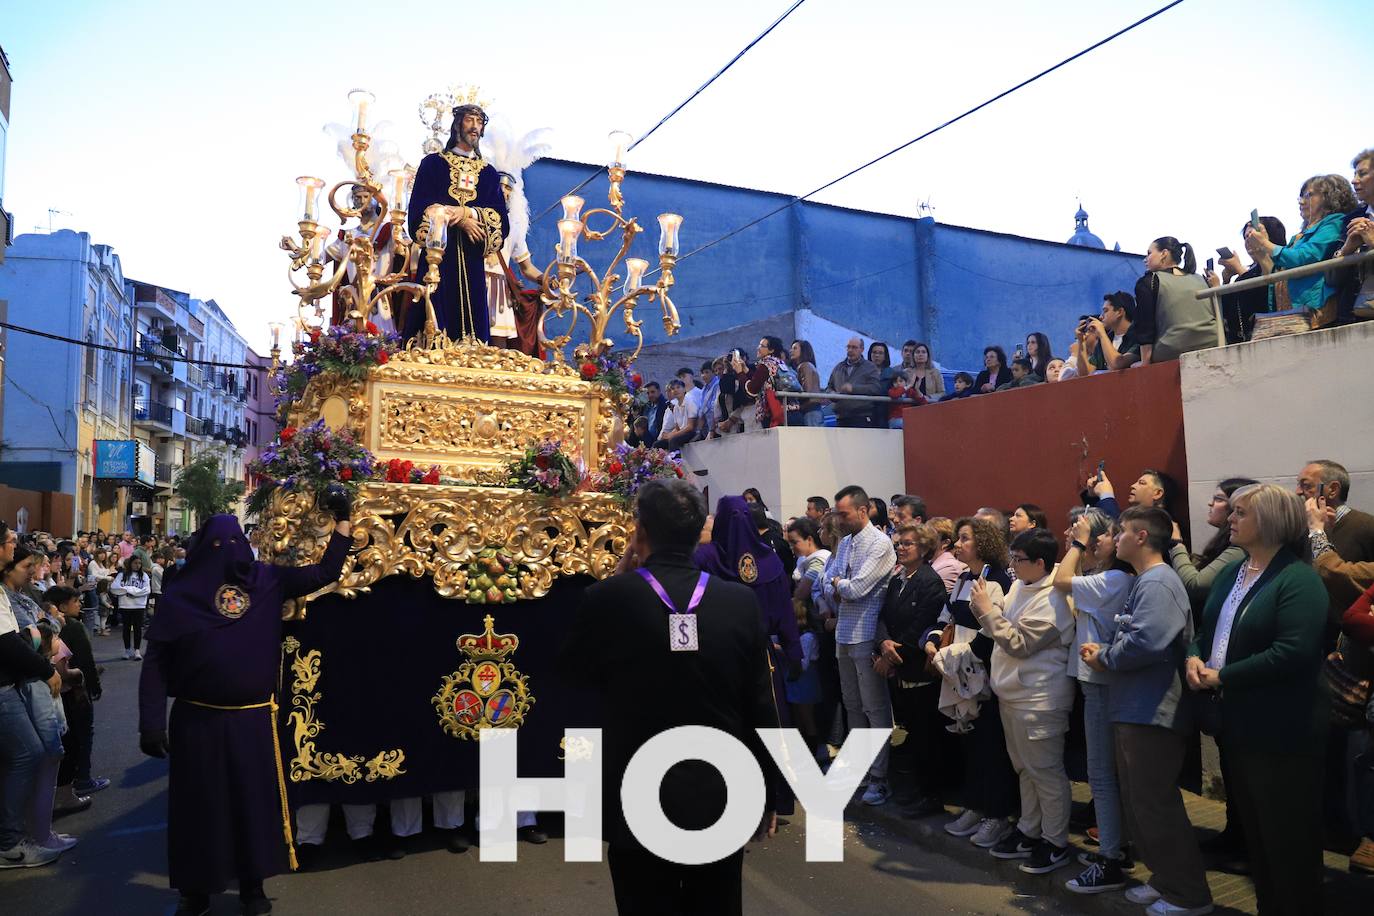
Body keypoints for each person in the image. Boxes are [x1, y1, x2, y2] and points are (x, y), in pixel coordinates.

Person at [559, 479, 778, 915]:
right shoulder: (739, 602)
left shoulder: (606, 598)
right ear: (701, 531)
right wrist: (769, 788)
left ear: (639, 532)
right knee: (717, 903)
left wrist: (619, 577)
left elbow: (571, 674)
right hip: (721, 785)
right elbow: (760, 702)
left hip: (635, 786)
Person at [138, 489, 353, 916]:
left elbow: (324, 572)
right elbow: (156, 662)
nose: (229, 554)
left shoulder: (267, 580)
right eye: (221, 546)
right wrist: (151, 722)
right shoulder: (182, 595)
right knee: (198, 809)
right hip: (196, 721)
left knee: (251, 804)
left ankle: (253, 887)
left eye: (235, 544)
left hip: (252, 720)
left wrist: (344, 522)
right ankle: (194, 891)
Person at [1186, 484, 1328, 915]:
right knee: (1257, 835)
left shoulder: (1298, 579)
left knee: (1287, 839)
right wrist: (1194, 656)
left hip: (1283, 729)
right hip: (1239, 723)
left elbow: (1294, 652)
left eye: (1240, 512)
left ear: (1268, 522)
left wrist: (1222, 675)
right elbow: (1206, 629)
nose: (1230, 518)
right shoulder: (1233, 571)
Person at [1080, 507, 1212, 916]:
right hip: (1135, 708)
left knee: (1156, 804)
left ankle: (1189, 895)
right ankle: (1165, 879)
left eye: (1119, 532)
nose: (1114, 538)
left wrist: (1105, 655)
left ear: (1140, 537)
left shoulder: (1158, 582)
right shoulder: (1148, 580)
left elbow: (1148, 642)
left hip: (1152, 711)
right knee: (1141, 802)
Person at [971, 528, 1076, 874]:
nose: (1013, 567)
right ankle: (1030, 831)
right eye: (1012, 559)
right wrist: (986, 608)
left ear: (1041, 563)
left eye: (1019, 560)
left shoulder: (1056, 597)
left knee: (1045, 772)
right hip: (1011, 694)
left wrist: (988, 611)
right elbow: (998, 626)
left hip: (1040, 698)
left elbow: (1018, 642)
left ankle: (1056, 841)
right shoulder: (1020, 584)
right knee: (1024, 770)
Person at [1054, 509, 1134, 893]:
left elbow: (1060, 579)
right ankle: (1117, 846)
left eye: (1105, 537)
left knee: (1101, 773)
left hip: (1100, 680)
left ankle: (1111, 858)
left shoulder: (1115, 578)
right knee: (1107, 772)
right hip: (1097, 678)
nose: (1103, 542)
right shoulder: (1105, 578)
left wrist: (1077, 542)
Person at [928, 517, 1019, 849]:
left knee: (990, 746)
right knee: (968, 742)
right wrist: (934, 640)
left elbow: (993, 630)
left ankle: (997, 814)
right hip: (957, 667)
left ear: (982, 543)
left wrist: (959, 656)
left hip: (981, 670)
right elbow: (947, 616)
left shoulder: (995, 579)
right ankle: (975, 804)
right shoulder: (964, 578)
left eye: (964, 539)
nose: (957, 545)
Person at [403, 103, 510, 343]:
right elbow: (419, 213)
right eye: (470, 120)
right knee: (434, 316)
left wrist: (466, 213)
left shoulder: (489, 174)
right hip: (438, 257)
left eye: (479, 122)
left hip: (472, 262)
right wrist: (460, 220)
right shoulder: (433, 164)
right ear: (457, 124)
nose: (475, 127)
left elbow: (501, 224)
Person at [818, 485, 897, 804]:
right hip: (844, 633)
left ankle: (880, 776)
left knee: (874, 707)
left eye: (843, 513)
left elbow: (858, 589)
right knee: (852, 705)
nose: (839, 519)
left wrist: (839, 584)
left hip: (867, 631)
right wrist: (838, 584)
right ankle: (860, 767)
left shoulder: (880, 544)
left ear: (863, 511)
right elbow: (827, 581)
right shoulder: (847, 543)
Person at [875, 522, 959, 817]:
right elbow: (883, 615)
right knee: (914, 736)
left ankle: (931, 795)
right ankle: (918, 790)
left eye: (908, 543)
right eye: (899, 543)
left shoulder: (929, 582)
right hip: (900, 668)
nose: (901, 547)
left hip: (918, 670)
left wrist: (891, 652)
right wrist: (883, 641)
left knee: (927, 739)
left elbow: (923, 624)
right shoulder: (899, 579)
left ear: (923, 549)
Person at [0, 526, 65, 870]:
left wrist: (40, 631)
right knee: (33, 753)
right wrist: (46, 667)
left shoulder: (20, 595)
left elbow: (46, 629)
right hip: (12, 684)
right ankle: (11, 844)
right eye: (10, 542)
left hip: (16, 681)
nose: (15, 546)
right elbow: (15, 642)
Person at [1246, 174, 1358, 322]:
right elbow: (1278, 272)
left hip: (1314, 309)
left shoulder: (1334, 223)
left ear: (1329, 197)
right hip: (1291, 311)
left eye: (1309, 195)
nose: (1302, 201)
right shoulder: (1300, 235)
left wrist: (1266, 244)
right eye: (1301, 197)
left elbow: (1304, 257)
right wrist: (1262, 249)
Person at [1169, 478, 1257, 629]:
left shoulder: (1240, 549)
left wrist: (1176, 544)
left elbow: (1196, 585)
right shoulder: (1225, 543)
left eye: (1219, 499)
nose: (1211, 504)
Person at [49, 585, 108, 810]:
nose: (79, 604)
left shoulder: (54, 627)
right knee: (82, 735)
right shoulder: (73, 627)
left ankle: (71, 781)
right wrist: (93, 686)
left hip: (59, 693)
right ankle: (83, 779)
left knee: (70, 737)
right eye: (76, 601)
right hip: (76, 690)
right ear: (63, 606)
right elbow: (85, 661)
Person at [1133, 236, 1219, 365]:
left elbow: (1145, 327)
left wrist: (1145, 363)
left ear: (1164, 254)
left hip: (1173, 350)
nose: (1145, 260)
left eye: (1149, 253)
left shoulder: (1149, 281)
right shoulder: (1201, 279)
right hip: (1213, 343)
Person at [1210, 217, 1290, 342]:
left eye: (1252, 234)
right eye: (1246, 237)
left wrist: (1238, 269)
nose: (1249, 240)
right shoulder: (1251, 271)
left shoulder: (1285, 264)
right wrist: (1225, 281)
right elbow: (1230, 310)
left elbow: (1265, 295)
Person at [1330, 149, 1374, 324]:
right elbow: (1331, 278)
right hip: (1352, 317)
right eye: (1354, 174)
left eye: (1362, 174)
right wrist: (1346, 249)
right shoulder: (1351, 219)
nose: (1354, 180)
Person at [826, 337, 883, 428]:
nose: (850, 350)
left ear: (862, 349)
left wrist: (853, 389)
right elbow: (829, 387)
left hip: (861, 418)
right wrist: (832, 393)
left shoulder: (869, 367)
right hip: (841, 418)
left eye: (854, 347)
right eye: (848, 347)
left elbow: (875, 388)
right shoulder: (838, 367)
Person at [110, 556, 151, 661]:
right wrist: (128, 590)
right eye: (135, 563)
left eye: (139, 563)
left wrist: (132, 591)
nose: (137, 565)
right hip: (125, 605)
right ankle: (127, 650)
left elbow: (147, 590)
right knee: (126, 628)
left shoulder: (144, 575)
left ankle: (137, 650)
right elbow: (114, 588)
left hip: (139, 606)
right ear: (130, 564)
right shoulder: (122, 575)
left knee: (138, 629)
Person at [785, 339, 823, 427]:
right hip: (813, 409)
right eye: (791, 348)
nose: (791, 351)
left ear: (803, 351)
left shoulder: (804, 366)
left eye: (795, 348)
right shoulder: (807, 365)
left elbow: (807, 391)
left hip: (810, 411)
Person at [652, 379, 698, 450]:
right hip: (681, 433)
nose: (676, 390)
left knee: (673, 441)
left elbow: (690, 427)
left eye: (678, 387)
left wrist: (672, 435)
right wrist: (668, 435)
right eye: (673, 389)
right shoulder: (675, 407)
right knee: (657, 444)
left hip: (691, 432)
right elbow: (677, 428)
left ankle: (677, 461)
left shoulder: (689, 402)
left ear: (684, 389)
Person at [925, 518, 967, 594]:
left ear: (945, 543)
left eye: (930, 536)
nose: (924, 540)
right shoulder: (931, 562)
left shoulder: (949, 567)